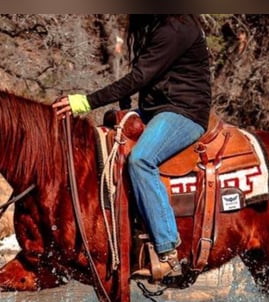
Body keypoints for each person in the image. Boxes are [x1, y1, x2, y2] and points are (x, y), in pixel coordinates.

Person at [53, 14, 212, 279]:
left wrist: (87, 102)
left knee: (140, 160)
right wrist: (124, 109)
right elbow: (142, 75)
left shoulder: (177, 27)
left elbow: (139, 76)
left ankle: (168, 251)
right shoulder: (153, 23)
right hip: (156, 109)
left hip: (184, 112)